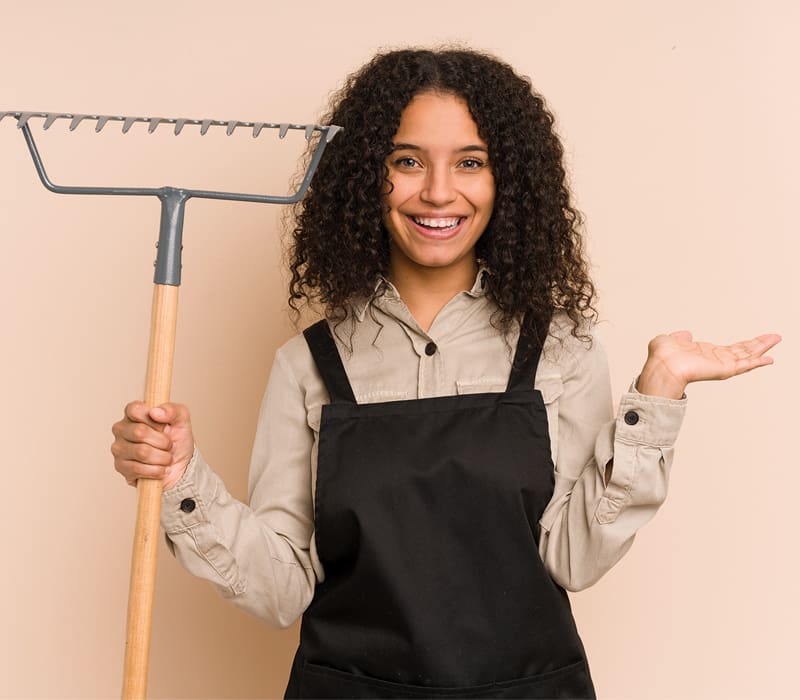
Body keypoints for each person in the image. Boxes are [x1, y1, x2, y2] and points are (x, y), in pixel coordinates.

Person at [111, 48, 780, 699]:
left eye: (470, 163)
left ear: (507, 181)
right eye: (406, 161)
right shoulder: (309, 365)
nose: (437, 191)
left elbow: (574, 558)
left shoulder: (562, 350)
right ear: (365, 177)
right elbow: (282, 589)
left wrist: (657, 391)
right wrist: (180, 480)